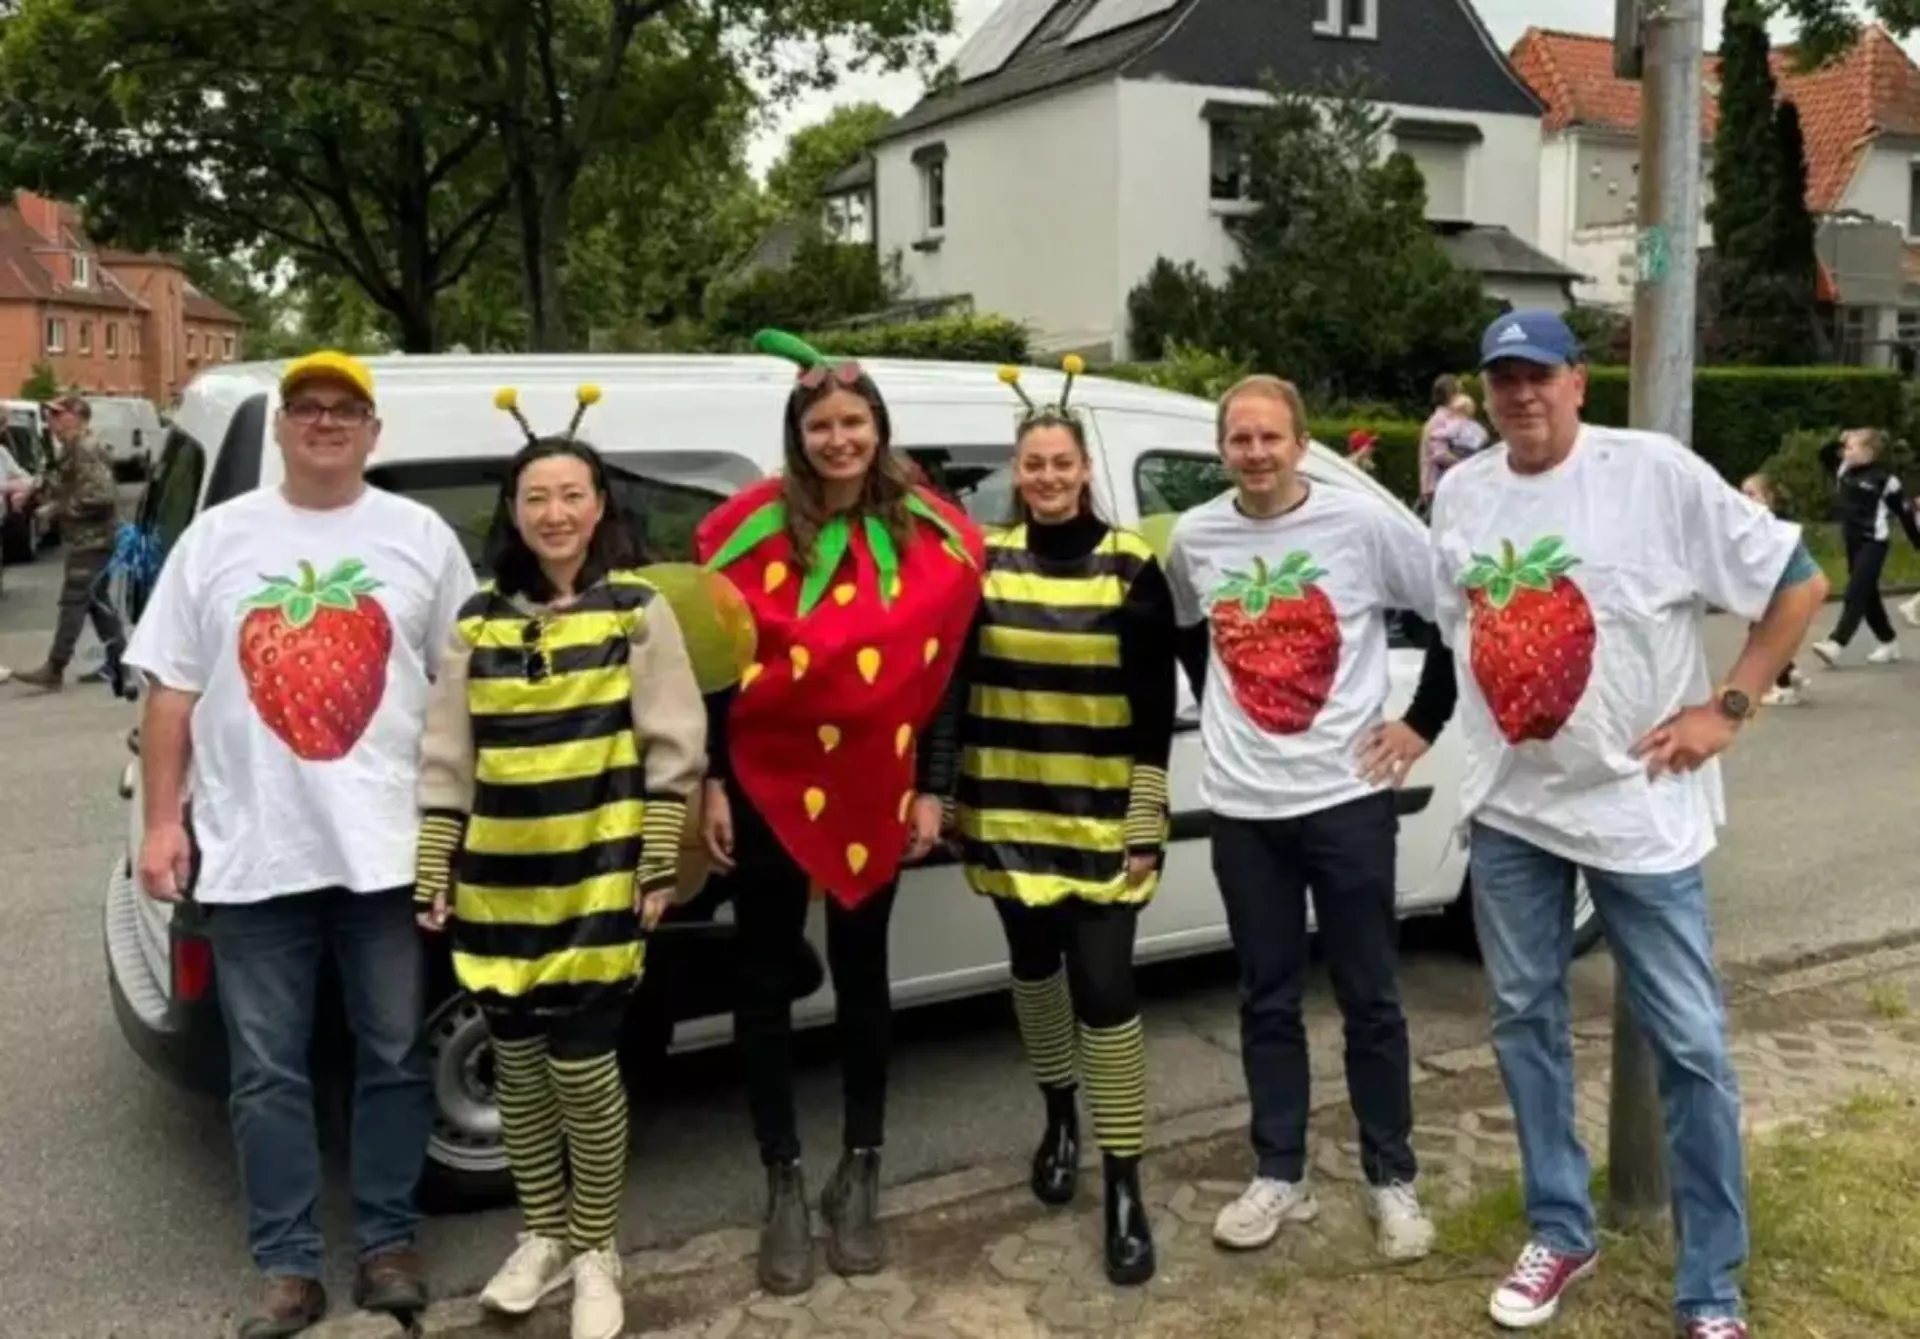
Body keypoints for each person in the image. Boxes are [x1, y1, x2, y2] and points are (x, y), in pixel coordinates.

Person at [1432, 311, 1826, 1338]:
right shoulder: (1462, 492)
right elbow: (1462, 622)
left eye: (1538, 376)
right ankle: (1562, 1227)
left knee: (1691, 1046)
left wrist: (1728, 706)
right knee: (1525, 1024)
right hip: (1515, 812)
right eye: (1502, 378)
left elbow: (1798, 583)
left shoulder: (1653, 473)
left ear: (1578, 383)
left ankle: (1709, 1284)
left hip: (1641, 811)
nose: (1520, 395)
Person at [124, 351, 476, 1338]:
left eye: (346, 410)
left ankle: (388, 1244)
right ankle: (287, 1267)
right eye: (308, 407)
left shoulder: (421, 537)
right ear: (281, 428)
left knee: (395, 1056)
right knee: (264, 1070)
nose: (326, 422)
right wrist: (162, 820)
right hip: (252, 854)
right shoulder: (217, 540)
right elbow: (173, 691)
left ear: (373, 433)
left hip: (389, 854)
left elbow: (461, 688)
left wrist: (463, 824)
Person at [693, 330, 986, 1295]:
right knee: (766, 978)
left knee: (865, 981)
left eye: (854, 422)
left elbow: (942, 675)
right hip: (767, 783)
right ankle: (780, 1175)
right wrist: (710, 780)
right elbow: (714, 665)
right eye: (820, 424)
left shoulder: (927, 539)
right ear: (797, 435)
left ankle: (863, 1166)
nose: (838, 438)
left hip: (880, 788)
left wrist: (934, 783)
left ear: (880, 431)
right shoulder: (751, 533)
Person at [414, 388, 707, 1339]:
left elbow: (673, 748)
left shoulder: (637, 611)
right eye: (536, 496)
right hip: (499, 885)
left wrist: (658, 865)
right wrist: (436, 868)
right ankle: (543, 1234)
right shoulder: (477, 623)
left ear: (600, 505)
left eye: (572, 494)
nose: (555, 513)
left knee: (586, 1074)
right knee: (522, 1073)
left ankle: (596, 1251)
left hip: (598, 880)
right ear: (514, 509)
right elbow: (448, 755)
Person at [1164, 374, 1457, 1264]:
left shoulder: (1360, 525)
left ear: (1300, 443)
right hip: (1247, 809)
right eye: (1239, 440)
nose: (1255, 453)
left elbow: (1451, 608)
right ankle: (1279, 1173)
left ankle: (1390, 1177)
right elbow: (1187, 626)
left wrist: (1421, 723)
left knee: (1370, 995)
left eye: (1270, 438)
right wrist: (1222, 706)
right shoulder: (1196, 535)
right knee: (1267, 997)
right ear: (1223, 449)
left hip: (1348, 802)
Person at [934, 360, 1175, 1286]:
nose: (1046, 477)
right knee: (1035, 976)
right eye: (1032, 464)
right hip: (1007, 809)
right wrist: (949, 793)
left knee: (1107, 998)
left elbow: (1154, 710)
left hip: (1102, 818)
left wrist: (1145, 823)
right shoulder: (982, 564)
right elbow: (952, 689)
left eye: (1060, 463)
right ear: (1016, 470)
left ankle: (1124, 1183)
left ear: (1083, 469)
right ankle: (1059, 1118)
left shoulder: (1131, 566)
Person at [14, 394, 125, 690]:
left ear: (75, 418)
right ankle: (119, 662)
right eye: (49, 416)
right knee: (97, 603)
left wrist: (55, 509)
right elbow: (61, 480)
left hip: (92, 540)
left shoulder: (85, 449)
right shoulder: (72, 449)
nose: (50, 422)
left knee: (73, 602)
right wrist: (36, 490)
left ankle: (54, 668)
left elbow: (100, 497)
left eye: (56, 415)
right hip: (92, 539)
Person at [1808, 428, 1920, 667]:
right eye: (1846, 447)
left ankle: (1837, 643)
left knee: (1856, 591)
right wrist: (1841, 437)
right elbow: (1824, 453)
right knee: (1868, 595)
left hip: (1874, 542)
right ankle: (1888, 642)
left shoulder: (1885, 480)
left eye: (1852, 446)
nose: (1846, 450)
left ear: (1869, 452)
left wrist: (1917, 542)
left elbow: (1905, 513)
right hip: (1853, 541)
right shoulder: (1843, 469)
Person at [1740, 473, 1809, 707]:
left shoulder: (1773, 526)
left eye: (1751, 494)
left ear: (1768, 498)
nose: (1744, 499)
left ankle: (1784, 688)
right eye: (1742, 494)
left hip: (1780, 591)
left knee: (1766, 637)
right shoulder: (1756, 525)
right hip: (1770, 590)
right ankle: (1789, 672)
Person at [1418, 375, 1490, 514]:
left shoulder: (1448, 419)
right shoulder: (1441, 420)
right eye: (1460, 390)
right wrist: (1467, 465)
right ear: (1452, 394)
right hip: (1438, 487)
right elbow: (1440, 455)